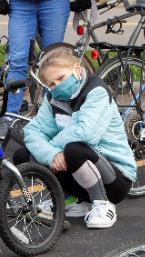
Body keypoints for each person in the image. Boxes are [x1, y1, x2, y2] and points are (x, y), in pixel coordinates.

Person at [18, 47, 136, 229]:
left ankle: (103, 205)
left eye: (61, 78)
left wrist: (55, 149)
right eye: (51, 84)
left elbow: (86, 132)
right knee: (24, 156)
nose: (56, 86)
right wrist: (51, 154)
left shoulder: (97, 91)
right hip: (78, 174)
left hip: (114, 178)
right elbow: (33, 132)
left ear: (77, 70)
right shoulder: (53, 100)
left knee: (74, 150)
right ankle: (70, 201)